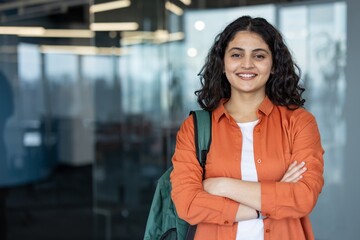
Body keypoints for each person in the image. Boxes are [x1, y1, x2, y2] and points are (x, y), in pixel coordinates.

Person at [170, 16, 324, 240]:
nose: (247, 64)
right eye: (236, 54)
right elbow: (188, 204)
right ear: (223, 63)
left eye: (259, 55)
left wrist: (221, 185)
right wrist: (268, 204)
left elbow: (304, 197)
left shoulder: (299, 122)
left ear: (273, 65)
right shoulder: (195, 128)